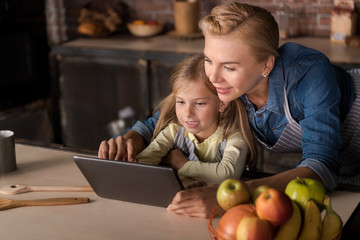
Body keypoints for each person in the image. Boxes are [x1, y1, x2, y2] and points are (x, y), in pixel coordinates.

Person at [98, 2, 360, 218]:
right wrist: (132, 140)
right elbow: (164, 117)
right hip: (336, 167)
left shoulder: (310, 73)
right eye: (208, 59)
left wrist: (233, 195)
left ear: (266, 65)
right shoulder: (222, 81)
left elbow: (322, 165)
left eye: (230, 67)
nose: (213, 77)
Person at [130, 54, 256, 185]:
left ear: (221, 103)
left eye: (199, 103)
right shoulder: (173, 131)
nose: (188, 113)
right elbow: (146, 160)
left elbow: (226, 175)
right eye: (181, 102)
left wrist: (183, 165)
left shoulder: (233, 136)